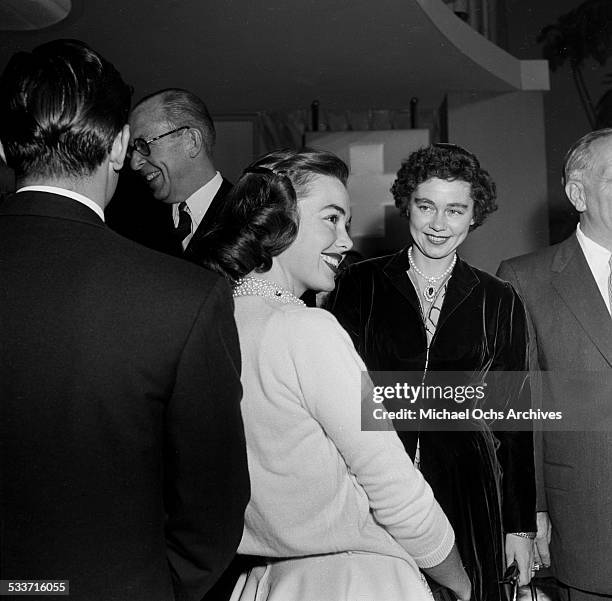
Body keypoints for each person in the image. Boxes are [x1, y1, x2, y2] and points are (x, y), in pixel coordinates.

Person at [0, 39, 249, 601]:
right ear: (116, 146)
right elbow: (213, 502)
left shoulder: (190, 269)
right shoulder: (181, 296)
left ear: (3, 147)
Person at [199, 148, 471, 601]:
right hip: (356, 579)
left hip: (264, 582)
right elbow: (395, 489)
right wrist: (459, 581)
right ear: (275, 219)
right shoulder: (307, 329)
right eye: (331, 219)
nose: (345, 241)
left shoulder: (214, 322)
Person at [328, 143, 537, 599]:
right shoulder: (359, 283)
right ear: (407, 206)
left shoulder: (498, 299)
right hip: (372, 488)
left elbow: (514, 425)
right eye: (426, 206)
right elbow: (335, 397)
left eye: (455, 210)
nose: (439, 224)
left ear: (473, 215)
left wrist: (519, 528)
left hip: (466, 492)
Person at [498, 129, 612, 601]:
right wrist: (529, 514)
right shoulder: (526, 278)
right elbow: (520, 410)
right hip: (588, 526)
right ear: (577, 193)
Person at [126, 88, 232, 261]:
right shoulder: (134, 223)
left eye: (143, 144)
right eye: (132, 151)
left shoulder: (253, 218)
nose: (134, 163)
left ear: (191, 141)